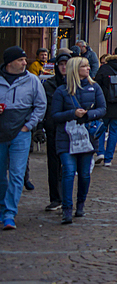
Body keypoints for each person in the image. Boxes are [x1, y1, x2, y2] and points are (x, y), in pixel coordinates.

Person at [51, 56, 107, 224]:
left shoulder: (94, 87)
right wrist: (72, 114)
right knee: (68, 171)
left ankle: (80, 204)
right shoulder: (62, 91)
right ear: (75, 69)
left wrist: (89, 115)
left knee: (84, 174)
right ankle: (67, 208)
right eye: (84, 66)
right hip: (67, 138)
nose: (88, 68)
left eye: (88, 66)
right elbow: (54, 115)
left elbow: (103, 109)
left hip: (87, 137)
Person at [0, 46, 47, 229]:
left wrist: (28, 126)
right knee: (0, 176)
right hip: (1, 133)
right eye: (20, 60)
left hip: (20, 133)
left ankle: (10, 213)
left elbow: (40, 105)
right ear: (10, 62)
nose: (24, 63)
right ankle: (2, 209)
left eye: (25, 59)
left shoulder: (32, 80)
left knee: (17, 174)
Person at [41, 51, 71, 211]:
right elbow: (43, 107)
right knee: (53, 165)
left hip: (72, 131)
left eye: (66, 64)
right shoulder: (49, 85)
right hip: (53, 130)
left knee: (69, 166)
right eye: (61, 64)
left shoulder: (76, 84)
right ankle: (55, 198)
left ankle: (68, 198)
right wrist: (41, 127)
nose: (64, 67)